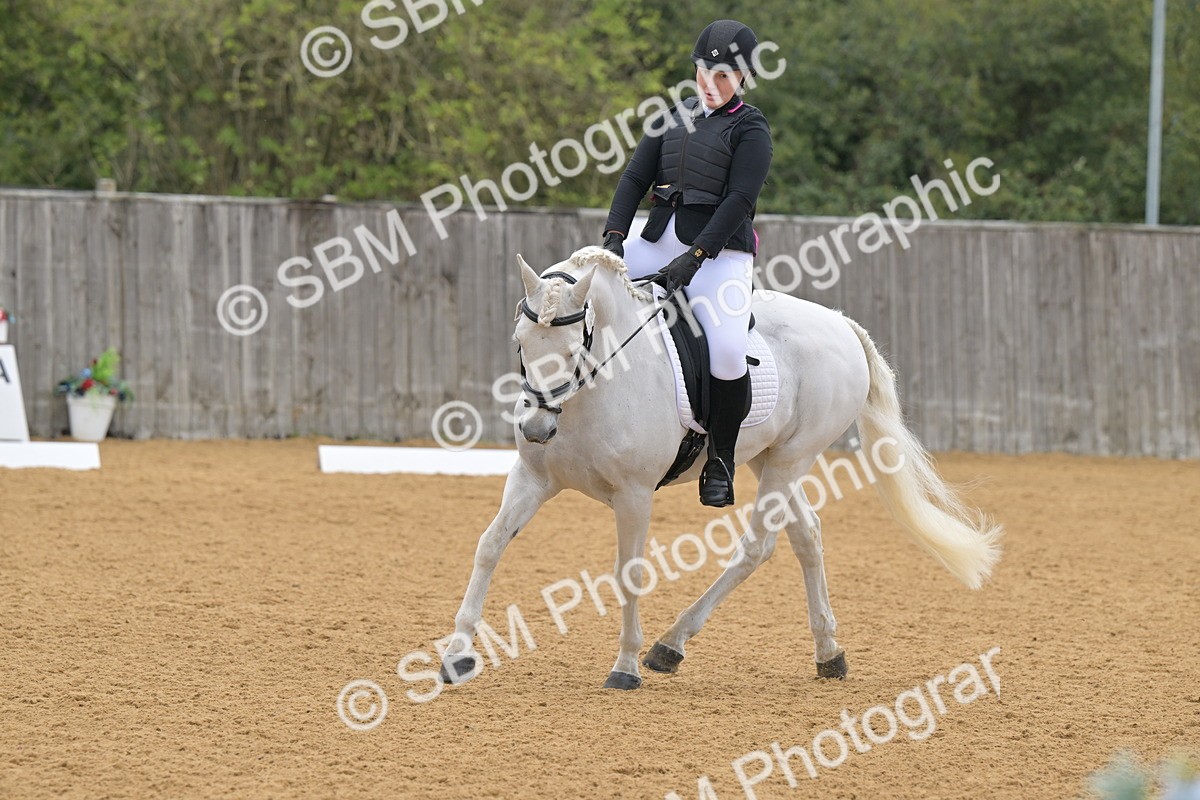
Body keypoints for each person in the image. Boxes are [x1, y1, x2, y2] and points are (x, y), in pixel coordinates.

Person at [600, 19, 772, 508]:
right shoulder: (670, 117)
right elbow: (633, 179)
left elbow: (739, 199)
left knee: (727, 350)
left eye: (724, 76)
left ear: (742, 78)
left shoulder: (752, 128)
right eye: (704, 71)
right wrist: (613, 240)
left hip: (721, 255)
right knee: (585, 283)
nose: (711, 84)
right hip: (654, 240)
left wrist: (694, 259)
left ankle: (720, 459)